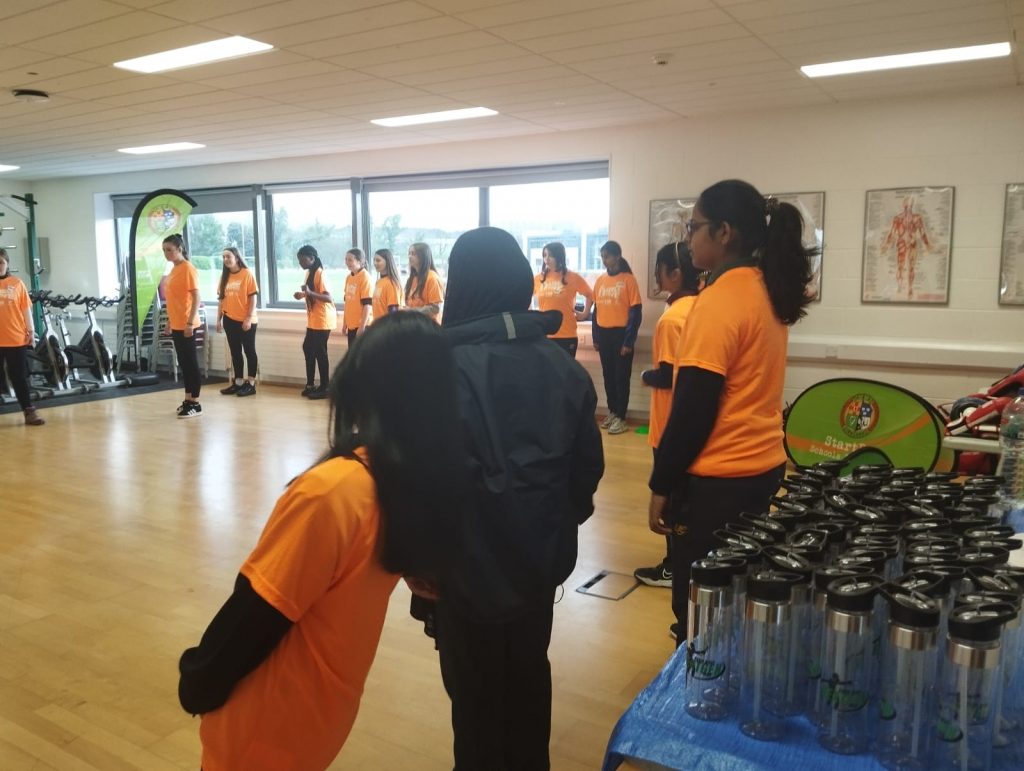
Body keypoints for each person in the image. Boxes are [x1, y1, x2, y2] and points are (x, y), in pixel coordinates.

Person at [178, 312, 467, 771]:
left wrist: (198, 678)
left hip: (265, 724)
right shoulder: (407, 481)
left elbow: (257, 613)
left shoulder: (335, 491)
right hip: (321, 717)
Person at [419, 226, 604, 771]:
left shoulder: (435, 374)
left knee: (474, 698)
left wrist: (419, 559)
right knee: (527, 678)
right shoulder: (565, 370)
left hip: (462, 576)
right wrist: (546, 527)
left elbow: (418, 481)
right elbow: (585, 476)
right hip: (536, 567)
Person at [648, 179, 816, 644]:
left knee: (699, 609)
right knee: (737, 594)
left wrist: (662, 483)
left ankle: (701, 677)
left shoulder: (718, 300)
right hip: (762, 467)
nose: (688, 238)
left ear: (724, 232)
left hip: (718, 483)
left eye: (694, 227)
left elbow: (694, 408)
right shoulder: (764, 287)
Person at [633, 242, 700, 591]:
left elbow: (672, 375)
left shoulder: (673, 318)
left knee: (672, 502)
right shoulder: (701, 307)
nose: (656, 276)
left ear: (674, 273)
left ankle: (674, 567)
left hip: (670, 425)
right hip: (691, 424)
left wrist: (647, 375)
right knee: (686, 500)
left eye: (659, 270)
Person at [592, 240, 642, 435]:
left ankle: (621, 417)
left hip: (621, 335)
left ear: (617, 256)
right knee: (608, 376)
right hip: (604, 335)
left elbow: (635, 312)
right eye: (602, 256)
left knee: (621, 377)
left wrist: (628, 341)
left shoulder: (628, 280)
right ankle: (613, 411)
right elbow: (596, 311)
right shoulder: (600, 281)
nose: (604, 260)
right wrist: (596, 337)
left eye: (607, 256)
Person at [0, 248, 44, 426]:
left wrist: (31, 332)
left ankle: (29, 412)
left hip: (15, 339)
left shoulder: (17, 283)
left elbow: (26, 310)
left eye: (1, 263)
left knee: (19, 377)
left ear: (7, 264)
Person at [162, 234, 203, 418]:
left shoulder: (188, 268)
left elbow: (196, 297)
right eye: (164, 250)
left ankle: (196, 403)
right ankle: (188, 399)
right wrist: (169, 322)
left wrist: (189, 323)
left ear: (179, 249)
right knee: (184, 364)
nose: (166, 253)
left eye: (169, 250)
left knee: (191, 363)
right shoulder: (174, 269)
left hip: (187, 323)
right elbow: (174, 300)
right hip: (177, 323)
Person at [532, 241, 594, 358]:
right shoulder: (538, 278)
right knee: (548, 368)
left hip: (567, 334)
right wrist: (532, 315)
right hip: (545, 335)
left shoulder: (573, 277)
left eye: (550, 255)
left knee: (566, 369)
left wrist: (584, 314)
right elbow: (526, 296)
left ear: (559, 256)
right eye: (544, 255)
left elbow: (590, 295)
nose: (546, 259)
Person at [293, 244, 335, 400]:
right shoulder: (309, 273)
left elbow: (328, 297)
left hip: (323, 319)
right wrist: (303, 295)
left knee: (320, 352)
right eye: (299, 260)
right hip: (313, 319)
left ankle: (325, 387)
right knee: (308, 348)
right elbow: (311, 292)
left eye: (303, 260)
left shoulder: (320, 274)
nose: (300, 263)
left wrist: (309, 293)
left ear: (312, 258)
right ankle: (310, 384)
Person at [215, 247, 259, 397]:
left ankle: (251, 384)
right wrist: (218, 320)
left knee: (249, 351)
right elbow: (221, 301)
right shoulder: (224, 277)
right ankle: (238, 382)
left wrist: (248, 318)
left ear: (237, 258)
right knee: (235, 352)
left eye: (228, 256)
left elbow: (253, 299)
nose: (225, 259)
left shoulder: (247, 274)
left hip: (246, 320)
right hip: (229, 319)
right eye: (223, 257)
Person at [404, 242, 443, 321]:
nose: (409, 257)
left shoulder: (432, 278)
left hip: (429, 325)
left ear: (423, 256)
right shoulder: (412, 278)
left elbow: (435, 308)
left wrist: (411, 311)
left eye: (413, 254)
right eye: (409, 253)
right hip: (415, 323)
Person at [341, 248, 372, 346]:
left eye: (350, 260)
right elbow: (347, 303)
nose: (347, 262)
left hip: (362, 325)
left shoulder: (365, 277)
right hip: (351, 325)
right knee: (353, 354)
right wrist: (345, 323)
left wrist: (362, 326)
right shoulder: (348, 278)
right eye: (346, 259)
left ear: (360, 261)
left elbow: (368, 305)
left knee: (361, 354)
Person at [371, 248, 402, 320]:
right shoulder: (379, 282)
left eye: (378, 260)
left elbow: (393, 311)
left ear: (387, 262)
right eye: (374, 260)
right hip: (378, 324)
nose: (375, 263)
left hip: (386, 325)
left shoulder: (391, 283)